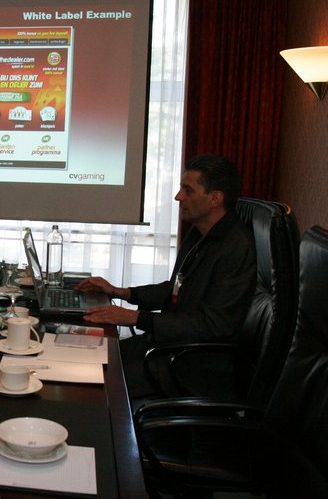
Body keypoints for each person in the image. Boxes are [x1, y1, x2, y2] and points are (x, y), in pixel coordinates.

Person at [75, 154, 256, 398]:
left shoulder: (237, 247)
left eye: (188, 190)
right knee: (91, 354)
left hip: (191, 366)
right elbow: (175, 290)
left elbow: (213, 325)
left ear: (215, 198)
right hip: (167, 347)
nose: (178, 197)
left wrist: (137, 318)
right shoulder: (199, 233)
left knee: (93, 378)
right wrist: (121, 292)